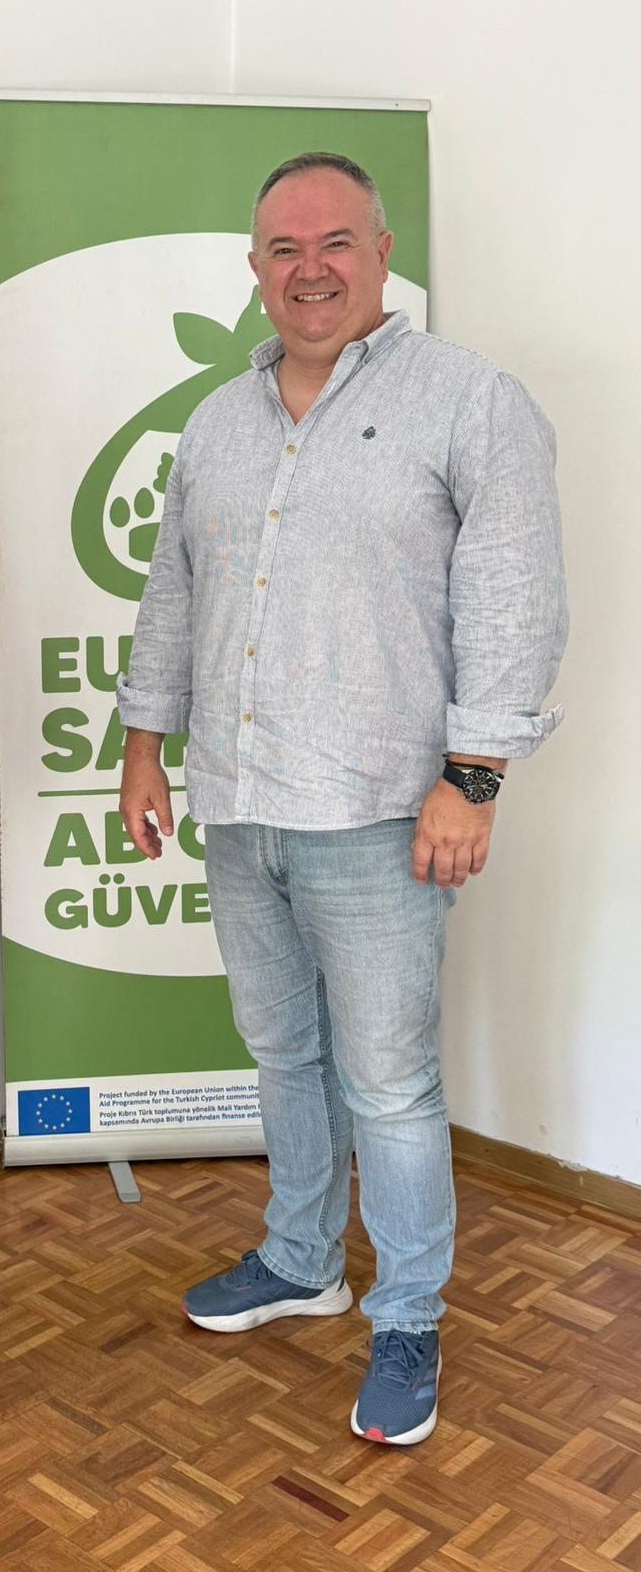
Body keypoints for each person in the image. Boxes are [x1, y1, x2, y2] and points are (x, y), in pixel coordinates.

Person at [118, 151, 567, 1447]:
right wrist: (145, 745)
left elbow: (515, 599)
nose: (309, 269)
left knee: (392, 1086)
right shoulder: (219, 421)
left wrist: (473, 781)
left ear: (381, 253)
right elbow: (174, 593)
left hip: (381, 809)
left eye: (334, 243)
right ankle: (302, 1258)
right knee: (282, 1052)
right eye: (283, 248)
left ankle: (408, 1315)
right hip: (241, 800)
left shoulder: (469, 401)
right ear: (255, 268)